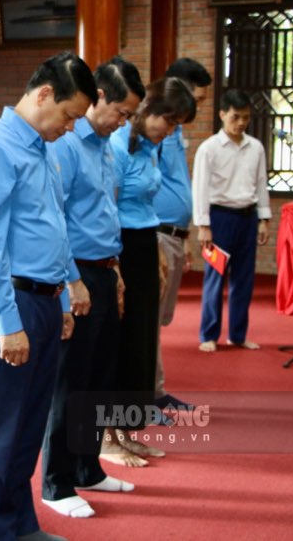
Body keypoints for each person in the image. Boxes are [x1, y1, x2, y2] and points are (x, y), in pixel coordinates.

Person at [0, 51, 97, 541]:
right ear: (44, 94)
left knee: (28, 424)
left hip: (42, 299)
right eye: (68, 115)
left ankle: (20, 524)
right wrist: (7, 322)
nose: (70, 127)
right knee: (1, 427)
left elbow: (53, 228)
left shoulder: (41, 147)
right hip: (11, 301)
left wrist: (61, 299)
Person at [41, 56, 145, 519]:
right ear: (98, 96)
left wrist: (116, 267)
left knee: (100, 377)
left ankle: (87, 467)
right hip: (75, 271)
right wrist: (70, 283)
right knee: (71, 380)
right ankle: (56, 481)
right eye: (120, 111)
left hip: (105, 268)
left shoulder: (105, 142)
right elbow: (55, 219)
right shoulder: (66, 143)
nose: (123, 122)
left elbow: (104, 211)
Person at [102, 77, 196, 467]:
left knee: (141, 341)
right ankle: (106, 438)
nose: (171, 131)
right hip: (120, 246)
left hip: (144, 244)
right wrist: (116, 265)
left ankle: (126, 431)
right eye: (169, 121)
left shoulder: (151, 148)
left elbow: (147, 208)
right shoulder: (118, 145)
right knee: (118, 344)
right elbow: (109, 208)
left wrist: (156, 250)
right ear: (147, 112)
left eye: (177, 124)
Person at [153, 58, 213, 411]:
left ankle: (155, 391)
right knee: (147, 322)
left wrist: (186, 237)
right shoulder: (153, 131)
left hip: (173, 235)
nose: (197, 108)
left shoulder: (174, 132)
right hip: (156, 235)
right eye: (197, 99)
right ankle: (151, 395)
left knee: (158, 321)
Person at [192, 88, 271, 353]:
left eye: (245, 118)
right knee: (215, 278)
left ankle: (238, 335)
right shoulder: (209, 149)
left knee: (244, 279)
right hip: (219, 218)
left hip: (247, 218)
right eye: (235, 117)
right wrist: (203, 226)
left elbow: (261, 184)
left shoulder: (256, 147)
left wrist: (264, 218)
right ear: (222, 114)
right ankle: (209, 334)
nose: (240, 123)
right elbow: (200, 188)